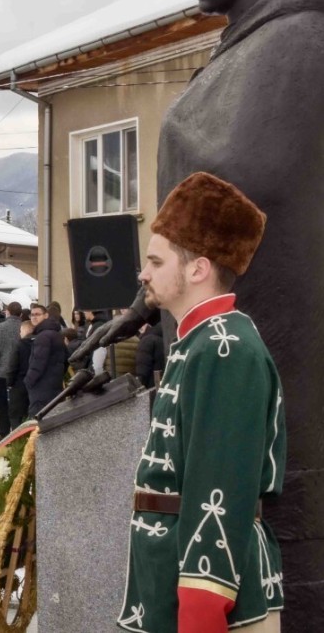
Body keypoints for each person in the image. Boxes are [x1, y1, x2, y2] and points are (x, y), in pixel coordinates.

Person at [68, 0, 323, 619]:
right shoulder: (244, 48)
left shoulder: (299, 41)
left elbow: (249, 180)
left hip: (279, 322)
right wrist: (144, 302)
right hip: (217, 320)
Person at [118, 172, 284, 633]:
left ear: (197, 269)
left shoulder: (224, 348)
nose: (143, 274)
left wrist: (202, 610)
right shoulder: (201, 341)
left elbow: (220, 488)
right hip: (169, 585)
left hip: (212, 601)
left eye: (155, 261)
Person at [0, 301, 24, 437]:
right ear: (20, 314)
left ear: (7, 312)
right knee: (19, 407)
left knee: (2, 407)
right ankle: (19, 435)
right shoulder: (25, 327)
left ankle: (4, 434)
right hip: (19, 374)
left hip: (0, 373)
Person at [24, 303, 67, 418]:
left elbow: (38, 362)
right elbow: (65, 360)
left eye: (37, 314)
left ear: (46, 315)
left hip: (41, 388)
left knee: (38, 422)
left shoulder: (43, 337)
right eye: (32, 315)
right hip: (54, 385)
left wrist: (29, 381)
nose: (34, 317)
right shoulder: (56, 334)